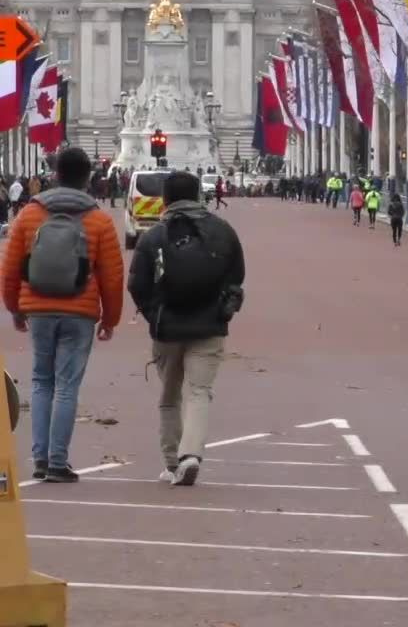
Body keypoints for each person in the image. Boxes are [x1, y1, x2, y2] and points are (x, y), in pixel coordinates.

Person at [2, 148, 124, 483]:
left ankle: (39, 457)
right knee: (67, 386)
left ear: (55, 174)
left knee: (41, 381)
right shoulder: (99, 220)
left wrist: (15, 308)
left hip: (38, 307)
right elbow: (112, 276)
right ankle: (58, 460)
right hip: (80, 311)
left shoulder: (29, 215)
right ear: (88, 178)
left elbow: (11, 268)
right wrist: (110, 319)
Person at [127, 172, 245, 486]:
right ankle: (190, 454)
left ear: (165, 199)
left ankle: (170, 462)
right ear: (199, 195)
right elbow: (237, 276)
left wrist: (154, 314)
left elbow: (137, 283)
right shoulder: (222, 231)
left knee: (169, 395)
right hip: (209, 325)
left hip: (168, 325)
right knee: (199, 392)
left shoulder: (154, 236)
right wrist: (224, 310)